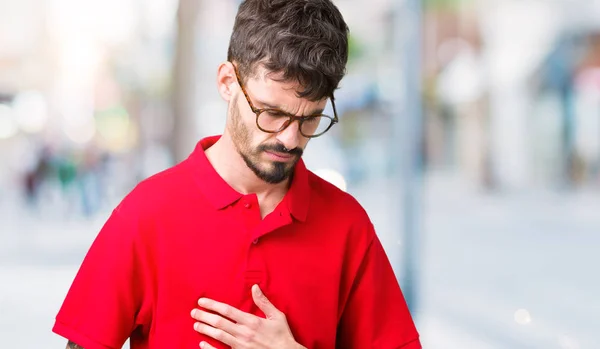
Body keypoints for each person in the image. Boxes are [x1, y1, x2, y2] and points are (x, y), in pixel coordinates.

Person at [53, 0, 422, 348]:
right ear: (228, 82)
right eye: (271, 112)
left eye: (310, 119)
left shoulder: (347, 225)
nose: (290, 138)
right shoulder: (145, 215)